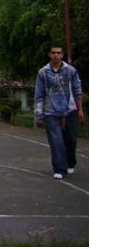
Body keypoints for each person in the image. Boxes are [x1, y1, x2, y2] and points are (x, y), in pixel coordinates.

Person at [35, 46, 84, 180]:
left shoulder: (70, 71)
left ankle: (70, 162)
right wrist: (39, 113)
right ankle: (59, 169)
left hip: (70, 108)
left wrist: (80, 109)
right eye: (53, 53)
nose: (56, 55)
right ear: (49, 55)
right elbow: (39, 94)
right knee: (56, 141)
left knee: (71, 139)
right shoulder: (43, 73)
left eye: (58, 53)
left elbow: (77, 89)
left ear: (62, 55)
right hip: (50, 110)